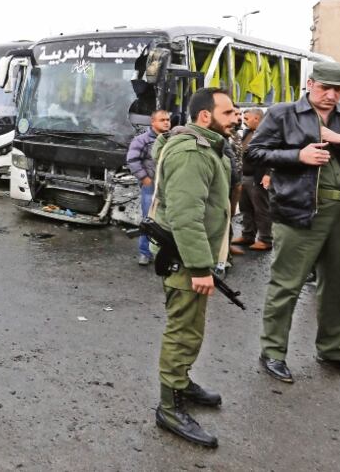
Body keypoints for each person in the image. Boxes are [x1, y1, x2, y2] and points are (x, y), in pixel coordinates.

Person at [247, 62, 340, 383]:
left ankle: (334, 350)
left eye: (338, 90)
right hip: (299, 210)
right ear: (310, 84)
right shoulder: (283, 113)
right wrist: (297, 156)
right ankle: (272, 351)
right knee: (286, 284)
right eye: (324, 88)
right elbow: (253, 154)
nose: (330, 96)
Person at [151, 87, 238, 448]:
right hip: (187, 259)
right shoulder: (192, 152)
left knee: (191, 326)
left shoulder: (207, 146)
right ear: (206, 116)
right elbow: (187, 216)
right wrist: (201, 267)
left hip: (192, 256)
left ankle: (181, 382)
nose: (236, 118)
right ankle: (169, 407)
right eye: (229, 112)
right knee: (183, 331)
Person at [126, 109, 171, 265]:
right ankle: (145, 252)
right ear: (153, 122)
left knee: (167, 220)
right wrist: (144, 178)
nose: (166, 122)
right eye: (162, 120)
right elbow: (132, 160)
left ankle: (164, 252)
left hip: (168, 187)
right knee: (149, 220)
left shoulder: (172, 139)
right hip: (150, 186)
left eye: (168, 120)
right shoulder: (141, 140)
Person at [231, 108, 272, 253]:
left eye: (247, 118)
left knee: (261, 209)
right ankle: (248, 235)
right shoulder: (248, 133)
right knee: (246, 208)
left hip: (258, 177)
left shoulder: (267, 134)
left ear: (257, 118)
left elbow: (271, 156)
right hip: (245, 176)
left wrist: (268, 174)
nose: (244, 121)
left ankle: (265, 239)